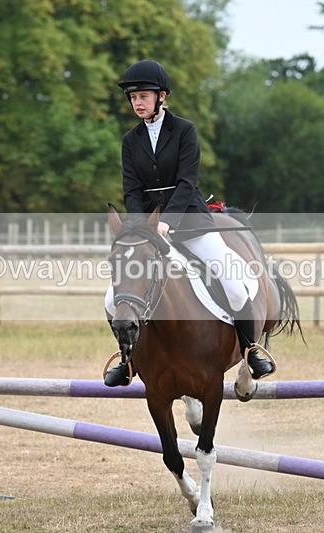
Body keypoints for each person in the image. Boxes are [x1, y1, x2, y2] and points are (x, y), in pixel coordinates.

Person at [104, 59, 274, 387]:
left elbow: (186, 182)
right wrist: (143, 228)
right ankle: (127, 359)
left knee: (235, 284)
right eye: (133, 97)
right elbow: (132, 190)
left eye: (143, 96)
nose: (137, 102)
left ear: (161, 96)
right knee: (112, 299)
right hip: (149, 230)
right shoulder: (130, 140)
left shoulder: (184, 131)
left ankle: (251, 348)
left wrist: (167, 221)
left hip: (192, 223)